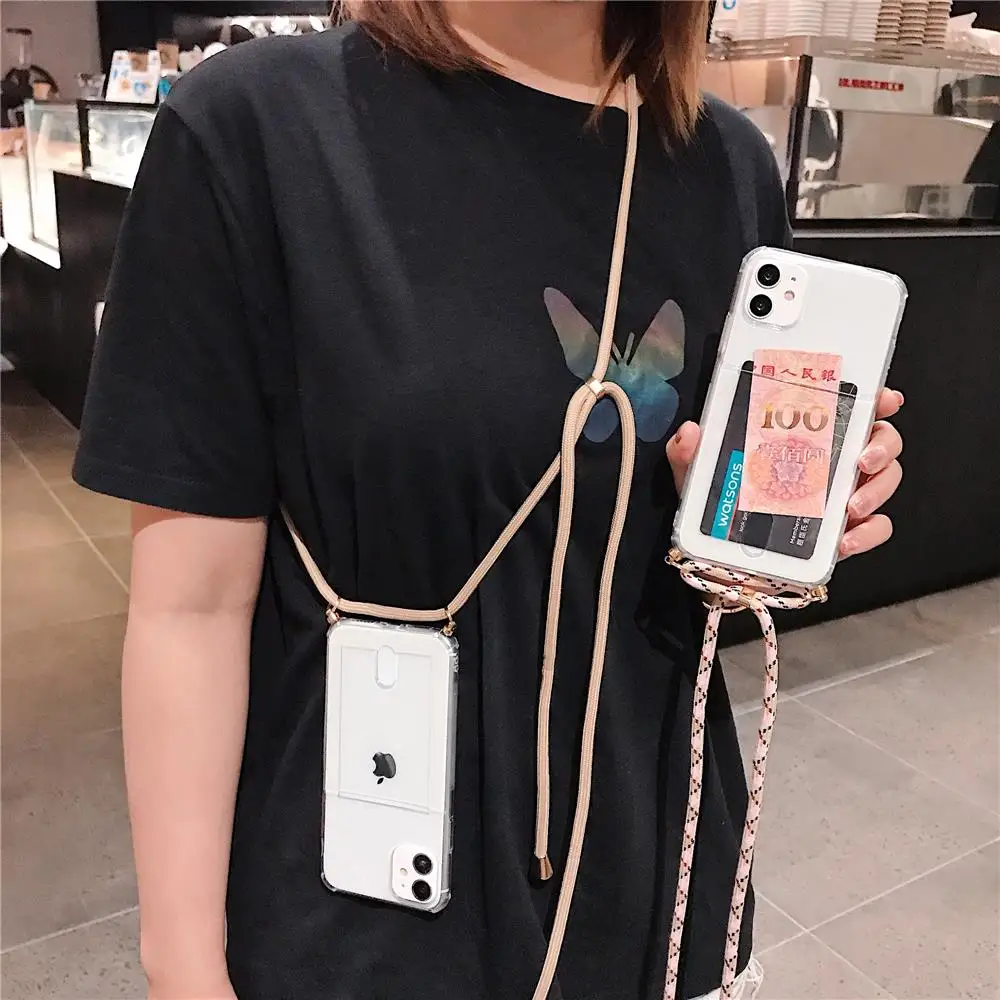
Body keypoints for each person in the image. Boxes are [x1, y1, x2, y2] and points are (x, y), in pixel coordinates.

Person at [73, 3, 905, 999]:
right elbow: (190, 608)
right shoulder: (258, 127)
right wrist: (182, 966)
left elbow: (651, 555)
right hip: (357, 902)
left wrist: (739, 516)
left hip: (654, 889)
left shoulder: (723, 162)